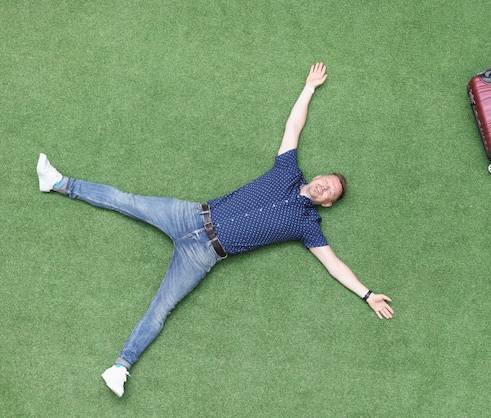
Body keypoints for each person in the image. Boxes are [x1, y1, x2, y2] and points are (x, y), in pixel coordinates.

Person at [36, 63, 394, 397]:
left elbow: (334, 264)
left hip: (204, 254)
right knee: (125, 200)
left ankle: (120, 366)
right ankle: (57, 183)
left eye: (330, 191)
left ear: (327, 202)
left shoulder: (307, 225)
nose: (324, 188)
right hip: (190, 216)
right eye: (326, 181)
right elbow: (292, 128)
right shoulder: (287, 171)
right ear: (317, 178)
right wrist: (308, 88)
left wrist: (367, 294)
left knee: (161, 308)